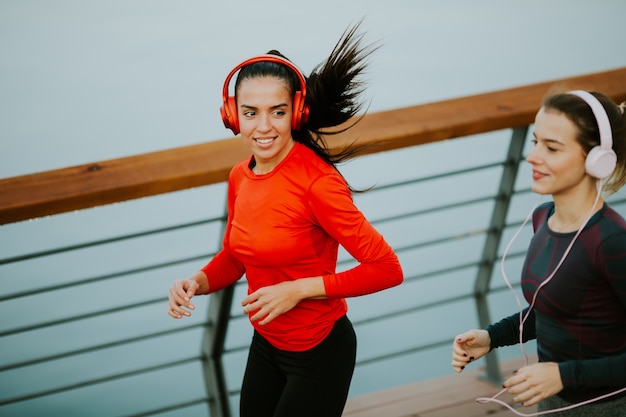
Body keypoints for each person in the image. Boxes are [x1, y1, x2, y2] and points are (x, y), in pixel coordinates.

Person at [168, 22, 403, 417]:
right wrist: (198, 282)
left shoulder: (318, 183)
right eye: (250, 113)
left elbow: (388, 269)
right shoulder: (240, 176)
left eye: (277, 112)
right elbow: (236, 255)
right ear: (232, 115)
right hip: (266, 346)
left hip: (320, 353)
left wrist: (300, 290)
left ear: (296, 112)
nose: (263, 126)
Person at [451, 90, 626, 416]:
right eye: (534, 142)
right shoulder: (543, 217)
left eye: (552, 148)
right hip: (551, 404)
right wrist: (491, 337)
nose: (532, 157)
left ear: (597, 159)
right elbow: (555, 309)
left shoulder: (612, 240)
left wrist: (562, 374)